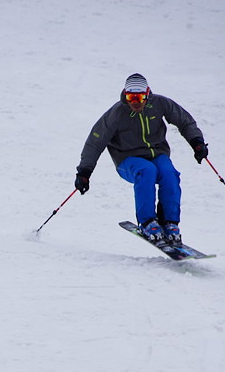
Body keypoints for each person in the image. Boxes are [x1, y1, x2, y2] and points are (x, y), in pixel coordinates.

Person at [74, 73, 208, 245]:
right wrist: (84, 172)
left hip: (157, 154)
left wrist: (197, 142)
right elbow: (95, 141)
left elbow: (184, 121)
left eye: (140, 97)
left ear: (147, 95)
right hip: (127, 159)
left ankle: (169, 223)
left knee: (170, 174)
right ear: (125, 95)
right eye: (131, 97)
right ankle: (147, 222)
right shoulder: (116, 113)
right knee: (146, 171)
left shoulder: (159, 104)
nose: (135, 102)